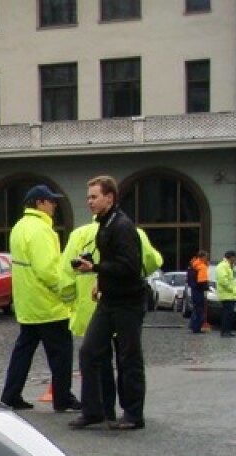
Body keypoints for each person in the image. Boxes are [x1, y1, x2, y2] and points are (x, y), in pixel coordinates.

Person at [62, 223, 164, 423]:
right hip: (117, 302)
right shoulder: (134, 231)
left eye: (93, 196)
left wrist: (68, 300)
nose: (90, 200)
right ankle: (129, 411)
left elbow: (65, 271)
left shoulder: (79, 235)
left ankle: (101, 408)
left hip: (90, 306)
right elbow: (152, 260)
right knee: (126, 357)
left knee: (97, 359)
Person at [69, 175, 145, 431]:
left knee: (129, 357)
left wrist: (96, 268)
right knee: (89, 351)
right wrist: (100, 278)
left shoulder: (122, 226)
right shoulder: (105, 223)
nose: (89, 201)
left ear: (109, 198)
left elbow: (131, 266)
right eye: (88, 197)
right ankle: (94, 411)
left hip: (128, 302)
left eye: (94, 197)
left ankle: (134, 415)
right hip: (109, 299)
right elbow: (115, 262)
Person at [1, 184, 78, 411]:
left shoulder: (19, 227)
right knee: (61, 355)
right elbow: (47, 269)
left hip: (27, 304)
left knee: (22, 353)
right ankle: (63, 398)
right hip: (48, 306)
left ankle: (11, 394)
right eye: (50, 201)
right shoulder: (42, 230)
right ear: (39, 203)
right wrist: (65, 291)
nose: (54, 205)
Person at [214, 249, 236, 338]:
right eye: (235, 257)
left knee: (229, 315)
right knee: (227, 315)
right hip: (227, 295)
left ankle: (227, 331)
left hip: (231, 295)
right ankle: (225, 332)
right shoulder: (222, 266)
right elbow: (223, 280)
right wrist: (231, 289)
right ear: (231, 257)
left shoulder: (229, 266)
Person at [187, 250, 211, 333]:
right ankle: (196, 328)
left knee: (196, 308)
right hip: (199, 290)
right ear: (202, 257)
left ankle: (193, 326)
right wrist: (206, 288)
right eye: (206, 257)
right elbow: (202, 281)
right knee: (200, 309)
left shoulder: (194, 264)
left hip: (194, 290)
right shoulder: (202, 266)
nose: (207, 259)